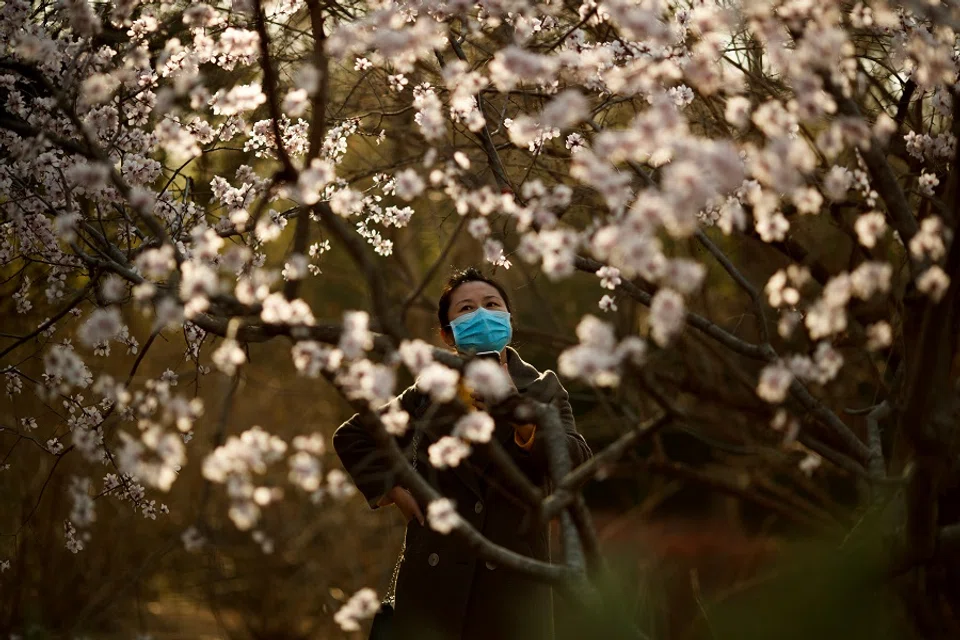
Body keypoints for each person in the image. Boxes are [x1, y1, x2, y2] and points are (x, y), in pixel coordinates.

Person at [333, 267, 592, 640]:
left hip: (513, 593)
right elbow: (355, 435)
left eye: (491, 305)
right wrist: (394, 490)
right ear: (447, 333)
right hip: (434, 584)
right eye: (466, 309)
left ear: (508, 320)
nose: (482, 315)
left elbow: (576, 463)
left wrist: (520, 416)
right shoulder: (429, 392)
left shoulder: (542, 389)